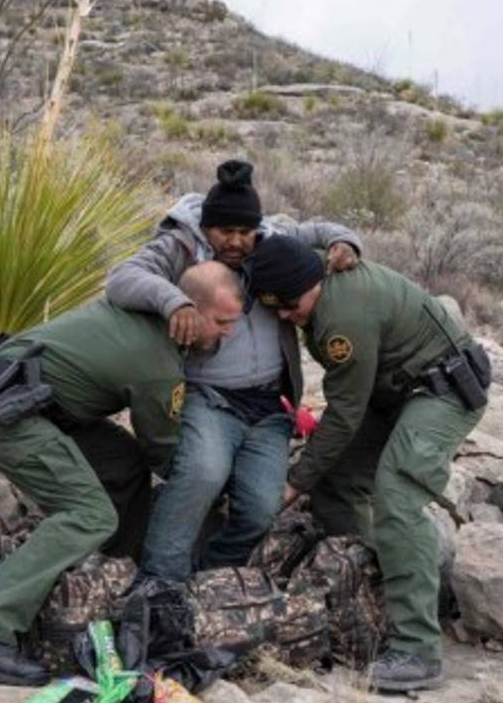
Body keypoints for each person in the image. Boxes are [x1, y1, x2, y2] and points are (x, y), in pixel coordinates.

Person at [0, 262, 245, 686]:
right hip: (5, 413)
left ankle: (109, 576)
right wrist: (207, 486)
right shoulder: (157, 364)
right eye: (221, 322)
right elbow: (161, 447)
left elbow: (143, 455)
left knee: (125, 462)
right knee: (89, 513)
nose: (228, 333)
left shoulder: (145, 318)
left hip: (37, 404)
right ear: (189, 311)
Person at [248, 234, 490, 692]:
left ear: (308, 284)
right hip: (395, 393)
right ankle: (367, 596)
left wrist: (293, 483)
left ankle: (417, 649)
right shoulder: (317, 279)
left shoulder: (342, 317)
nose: (284, 316)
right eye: (274, 308)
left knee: (396, 495)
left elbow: (344, 415)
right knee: (336, 483)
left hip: (441, 394)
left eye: (289, 305)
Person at [105, 159, 362, 581]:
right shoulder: (181, 247)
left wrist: (344, 242)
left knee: (262, 507)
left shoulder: (271, 238)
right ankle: (159, 583)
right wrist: (174, 301)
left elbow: (320, 230)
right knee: (201, 476)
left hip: (270, 408)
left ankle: (210, 579)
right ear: (207, 226)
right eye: (225, 231)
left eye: (246, 231)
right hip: (208, 397)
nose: (238, 242)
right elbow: (121, 279)